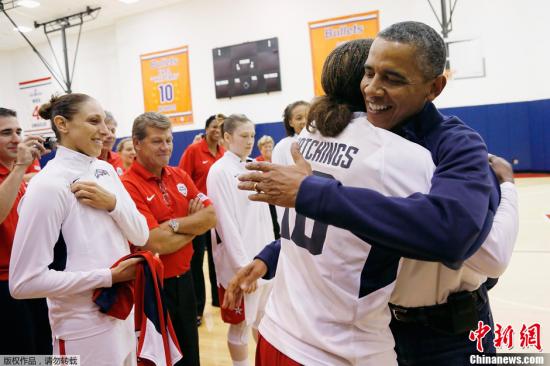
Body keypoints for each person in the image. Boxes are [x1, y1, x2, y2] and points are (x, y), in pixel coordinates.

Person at [235, 21, 509, 364]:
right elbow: (339, 230)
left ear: (434, 86)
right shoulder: (388, 153)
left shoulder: (443, 146)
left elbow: (471, 242)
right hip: (366, 329)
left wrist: (505, 190)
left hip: (443, 329)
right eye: (369, 74)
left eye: (392, 78)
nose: (374, 88)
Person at [9, 94, 149, 365]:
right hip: (81, 328)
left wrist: (113, 204)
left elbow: (141, 234)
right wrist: (108, 276)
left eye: (106, 122)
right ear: (62, 124)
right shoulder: (48, 185)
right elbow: (23, 283)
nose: (106, 131)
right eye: (94, 121)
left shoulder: (105, 170)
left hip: (122, 314)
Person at [122, 112, 217, 366]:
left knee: (190, 357)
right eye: (157, 141)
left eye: (169, 140)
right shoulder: (127, 185)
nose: (165, 147)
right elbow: (155, 243)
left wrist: (173, 225)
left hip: (184, 283)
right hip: (152, 289)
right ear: (137, 143)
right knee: (161, 360)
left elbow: (210, 216)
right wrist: (193, 227)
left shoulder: (179, 176)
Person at [206, 114, 275, 366]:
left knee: (264, 320)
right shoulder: (219, 171)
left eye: (252, 136)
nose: (249, 141)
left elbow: (264, 216)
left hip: (263, 261)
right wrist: (243, 268)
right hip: (242, 265)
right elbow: (224, 223)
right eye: (243, 136)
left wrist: (270, 258)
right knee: (240, 328)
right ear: (226, 137)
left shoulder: (252, 165)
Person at [0, 108, 52, 355]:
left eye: (19, 131)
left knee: (43, 349)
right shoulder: (17, 171)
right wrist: (21, 166)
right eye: (6, 133)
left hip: (29, 275)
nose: (16, 139)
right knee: (19, 354)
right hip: (4, 282)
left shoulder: (14, 172)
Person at [178, 114, 225, 318]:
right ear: (206, 129)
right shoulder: (194, 150)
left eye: (220, 127)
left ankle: (219, 300)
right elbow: (181, 180)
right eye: (213, 126)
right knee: (196, 262)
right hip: (198, 215)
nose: (216, 130)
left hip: (219, 215)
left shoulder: (224, 153)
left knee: (218, 258)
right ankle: (197, 309)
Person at [271, 101, 309, 165]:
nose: (304, 121)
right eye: (299, 118)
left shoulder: (322, 142)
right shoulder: (282, 147)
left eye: (308, 117)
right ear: (291, 123)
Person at [98, 111, 125, 176]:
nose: (111, 136)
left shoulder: (119, 159)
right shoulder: (86, 161)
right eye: (105, 130)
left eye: (113, 131)